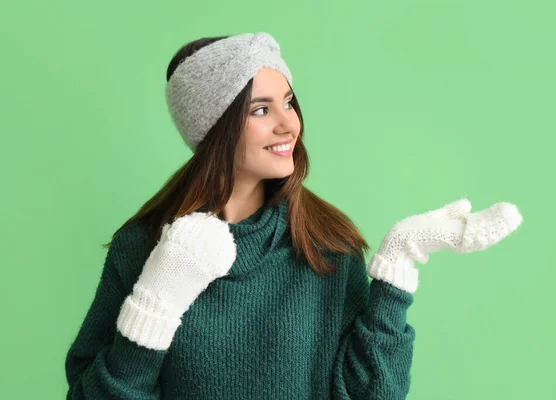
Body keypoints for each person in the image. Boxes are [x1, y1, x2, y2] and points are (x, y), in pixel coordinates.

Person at [64, 32, 523, 399]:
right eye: (261, 110)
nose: (288, 124)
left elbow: (372, 395)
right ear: (213, 131)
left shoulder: (326, 244)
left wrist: (398, 266)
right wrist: (156, 302)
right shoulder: (142, 247)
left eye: (288, 101)